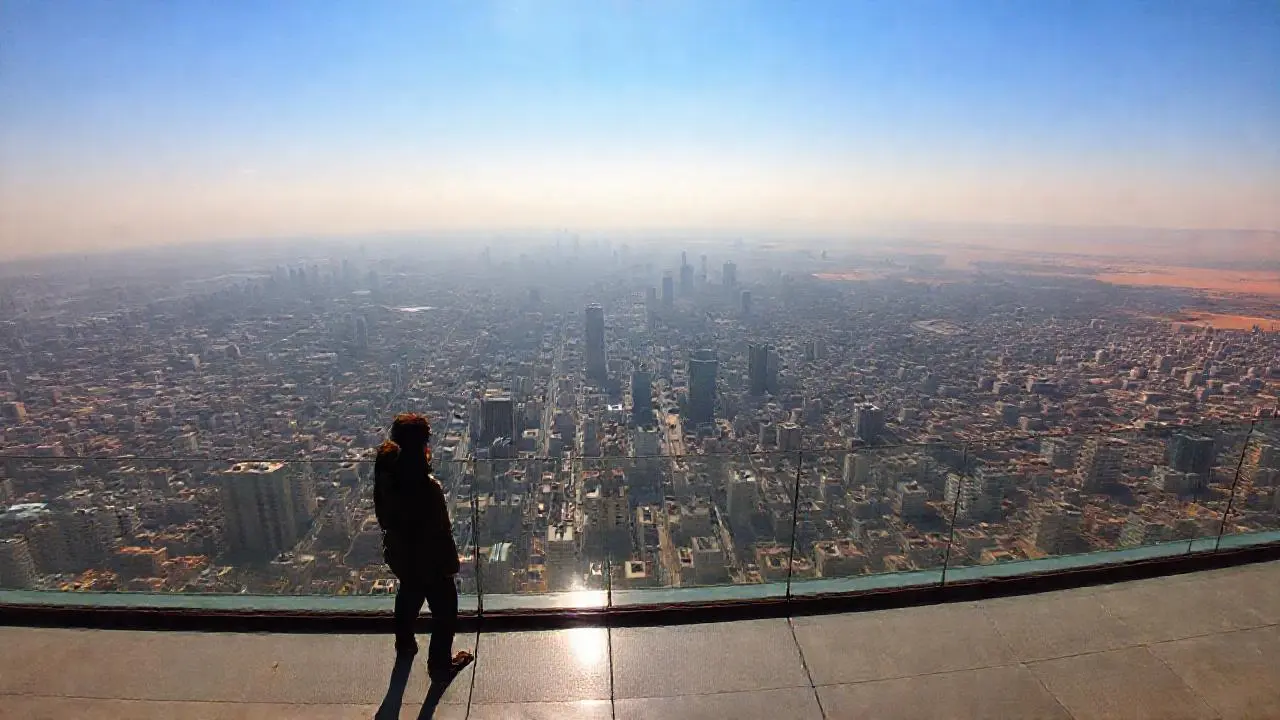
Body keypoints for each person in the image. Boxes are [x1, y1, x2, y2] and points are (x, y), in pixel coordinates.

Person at [374, 413, 473, 680]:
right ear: (422, 446)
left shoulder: (385, 477)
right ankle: (440, 666)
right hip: (431, 563)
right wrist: (451, 565)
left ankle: (404, 644)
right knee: (445, 615)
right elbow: (441, 531)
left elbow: (383, 516)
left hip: (402, 557)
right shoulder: (428, 488)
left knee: (408, 596)